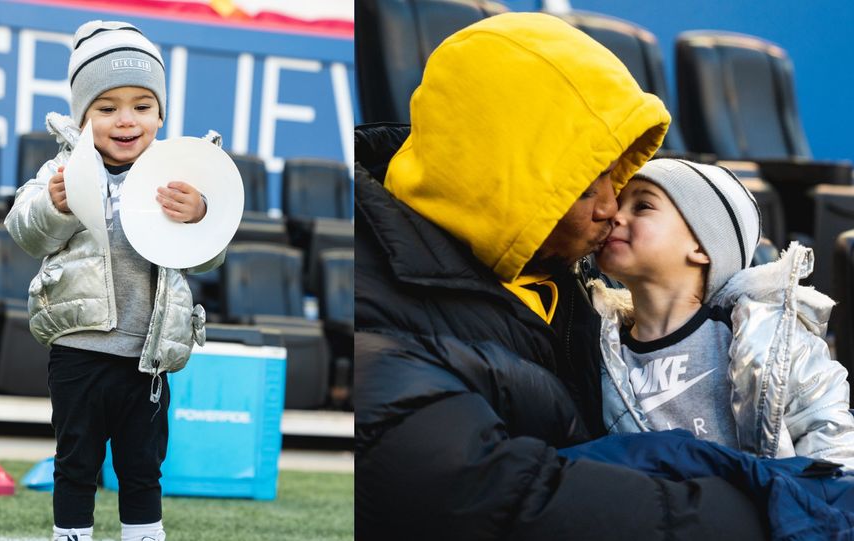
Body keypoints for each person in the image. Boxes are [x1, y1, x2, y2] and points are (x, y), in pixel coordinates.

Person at [354, 12, 767, 541]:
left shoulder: (571, 278)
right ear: (504, 181)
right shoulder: (371, 293)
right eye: (582, 183)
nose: (611, 209)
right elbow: (494, 496)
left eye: (613, 176)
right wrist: (765, 508)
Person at [5, 20, 223, 541]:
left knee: (143, 466)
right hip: (79, 349)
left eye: (142, 106)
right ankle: (71, 534)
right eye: (107, 108)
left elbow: (208, 257)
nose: (126, 121)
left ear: (160, 113)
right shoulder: (60, 170)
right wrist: (54, 207)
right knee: (75, 461)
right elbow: (23, 229)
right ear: (83, 115)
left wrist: (201, 214)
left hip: (147, 356)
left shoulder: (181, 177)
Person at [591, 158, 854, 466]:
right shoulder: (601, 348)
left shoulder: (770, 343)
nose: (614, 216)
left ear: (701, 247)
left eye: (643, 206)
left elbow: (832, 450)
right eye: (618, 204)